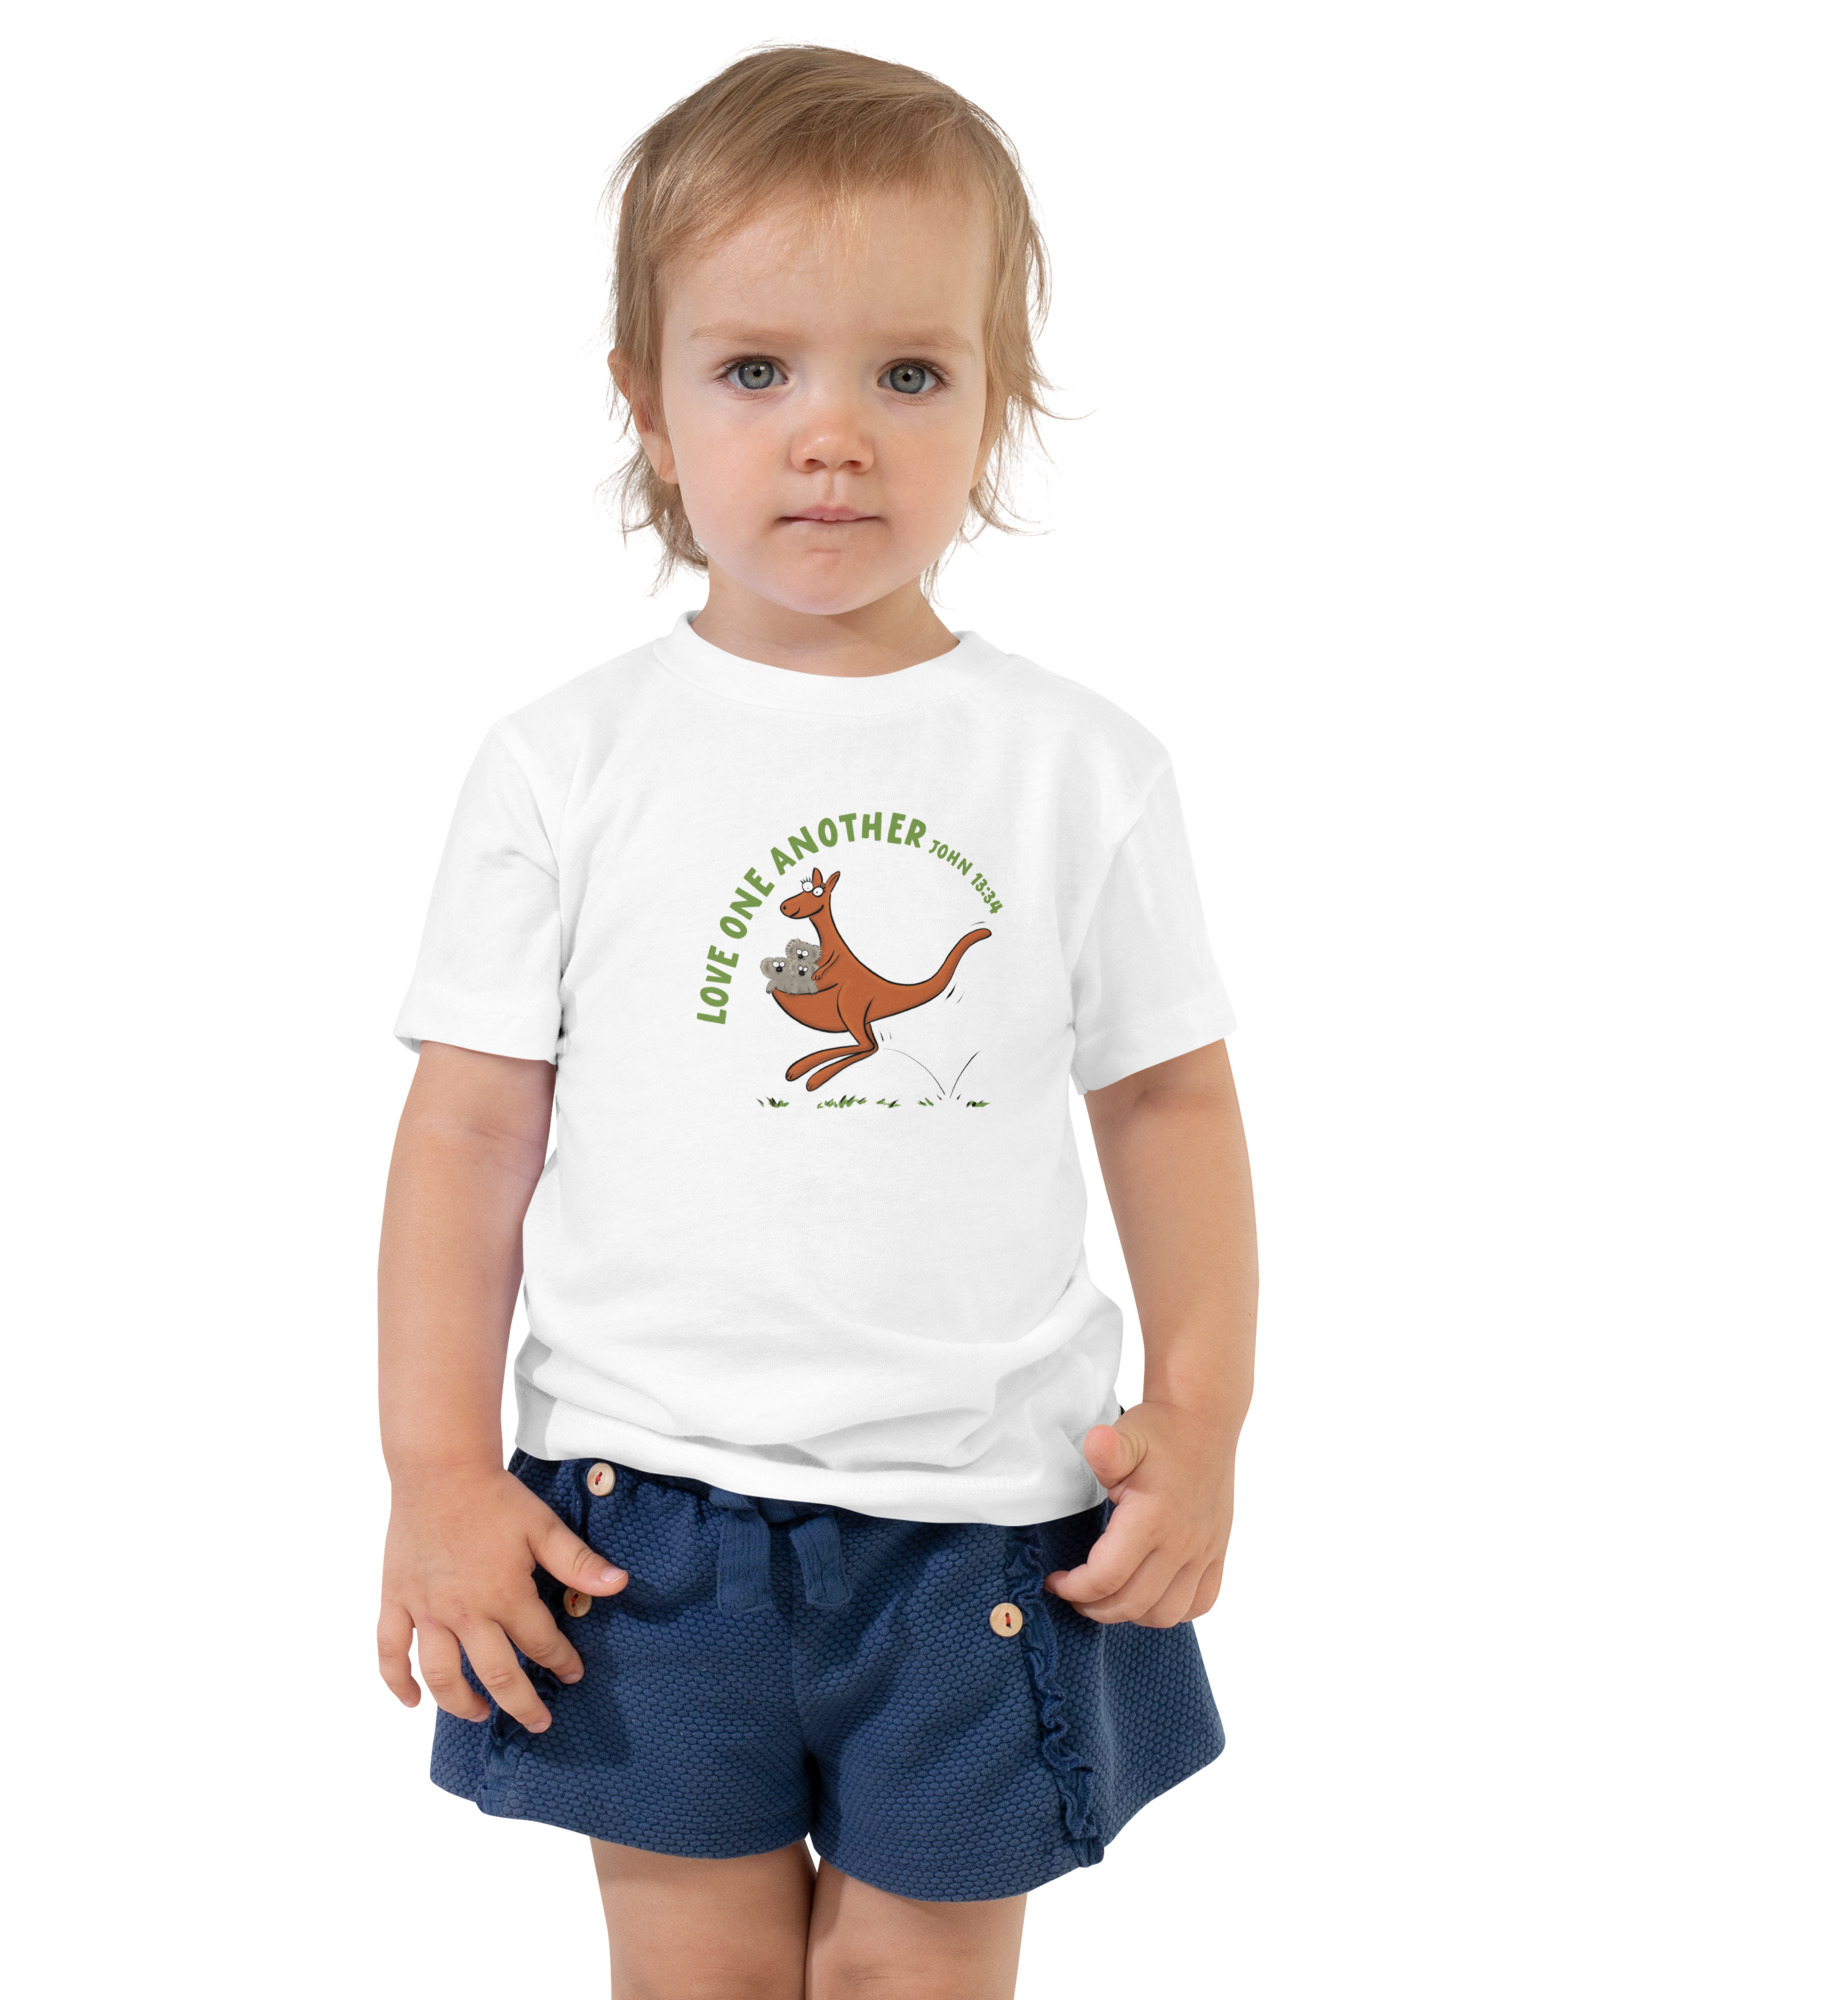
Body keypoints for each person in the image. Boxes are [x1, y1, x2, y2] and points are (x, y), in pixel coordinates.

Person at [377, 45, 1257, 2000]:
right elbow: (467, 1134)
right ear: (650, 399)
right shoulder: (563, 764)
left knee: (911, 1979)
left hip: (983, 1518)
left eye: (909, 373)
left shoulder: (1077, 768)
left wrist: (1201, 1416)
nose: (832, 436)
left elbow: (1173, 1107)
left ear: (996, 400)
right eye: (757, 368)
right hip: (641, 1517)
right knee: (691, 1972)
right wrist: (437, 1471)